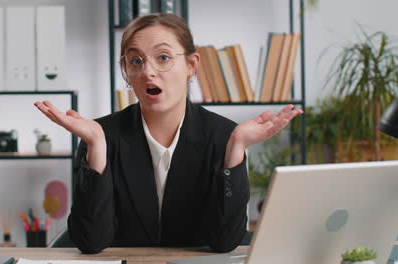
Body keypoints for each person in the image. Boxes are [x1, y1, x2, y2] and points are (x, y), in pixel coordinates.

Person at [34, 13, 303, 254]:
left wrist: (235, 150)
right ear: (127, 71)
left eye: (163, 57)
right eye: (135, 61)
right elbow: (91, 243)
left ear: (191, 65)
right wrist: (96, 146)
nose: (148, 71)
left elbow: (225, 242)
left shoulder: (224, 136)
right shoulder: (100, 135)